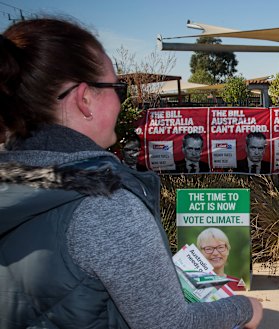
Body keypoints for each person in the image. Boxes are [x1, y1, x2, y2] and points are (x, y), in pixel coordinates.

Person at [0, 18, 262, 329]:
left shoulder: (13, 180)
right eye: (118, 88)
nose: (122, 103)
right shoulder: (106, 205)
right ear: (85, 99)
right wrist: (244, 308)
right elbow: (169, 325)